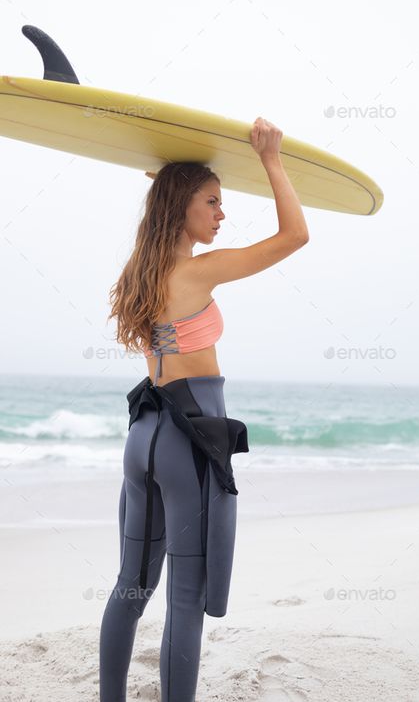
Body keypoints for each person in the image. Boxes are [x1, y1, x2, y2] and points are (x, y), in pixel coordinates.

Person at [99, 116, 310, 702]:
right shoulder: (197, 272)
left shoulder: (142, 272)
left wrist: (171, 182)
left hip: (142, 438)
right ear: (180, 207)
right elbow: (294, 236)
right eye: (212, 202)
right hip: (185, 442)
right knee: (185, 597)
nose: (222, 214)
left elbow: (169, 217)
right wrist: (272, 159)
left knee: (131, 586)